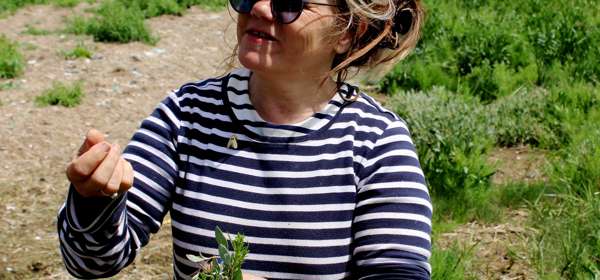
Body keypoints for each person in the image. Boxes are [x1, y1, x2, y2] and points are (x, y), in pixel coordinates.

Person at [57, 0, 432, 278]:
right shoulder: (187, 114)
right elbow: (92, 263)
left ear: (348, 32)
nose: (261, 8)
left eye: (290, 3)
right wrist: (94, 201)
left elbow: (396, 270)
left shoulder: (378, 143)